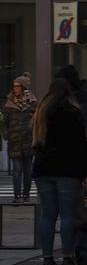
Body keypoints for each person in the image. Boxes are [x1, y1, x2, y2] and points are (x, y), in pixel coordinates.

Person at [33, 78, 87, 265]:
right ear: (69, 93)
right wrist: (86, 172)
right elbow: (82, 145)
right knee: (67, 215)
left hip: (44, 169)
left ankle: (47, 259)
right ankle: (68, 257)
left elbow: (36, 142)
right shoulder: (73, 113)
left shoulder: (41, 112)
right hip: (68, 169)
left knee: (48, 215)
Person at [56, 65, 87, 265]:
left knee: (81, 208)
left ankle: (85, 252)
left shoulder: (81, 105)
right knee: (84, 208)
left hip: (82, 164)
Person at [3, 74, 37, 203]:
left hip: (28, 140)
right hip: (15, 140)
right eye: (14, 86)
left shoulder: (32, 101)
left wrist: (33, 131)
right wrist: (6, 134)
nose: (15, 89)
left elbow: (37, 118)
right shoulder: (9, 102)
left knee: (28, 170)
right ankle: (17, 196)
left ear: (23, 87)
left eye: (17, 86)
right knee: (17, 170)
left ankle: (26, 195)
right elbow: (5, 122)